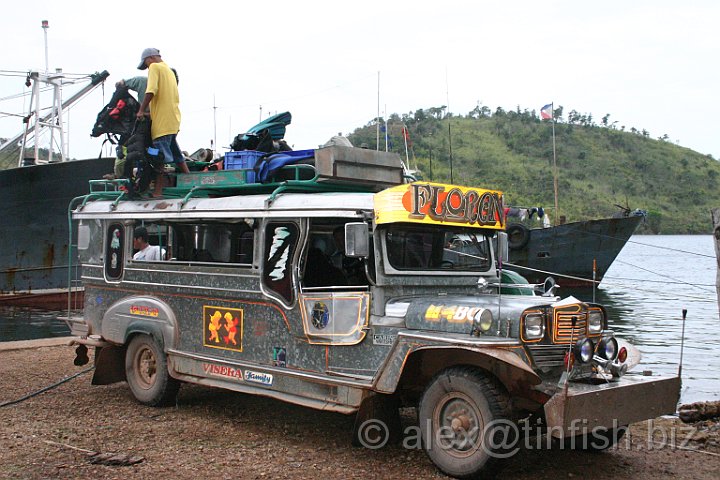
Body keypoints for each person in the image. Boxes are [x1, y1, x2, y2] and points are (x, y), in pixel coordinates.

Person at [135, 47, 189, 197]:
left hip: (161, 124)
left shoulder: (155, 67)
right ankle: (191, 181)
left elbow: (151, 90)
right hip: (173, 120)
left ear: (150, 58)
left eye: (146, 64)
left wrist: (141, 110)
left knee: (159, 158)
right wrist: (149, 111)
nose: (147, 67)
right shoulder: (169, 71)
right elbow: (164, 98)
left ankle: (157, 192)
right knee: (177, 154)